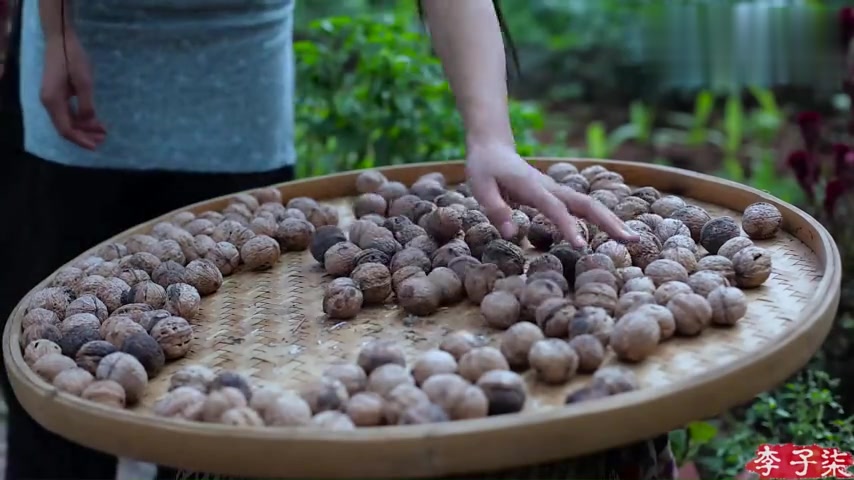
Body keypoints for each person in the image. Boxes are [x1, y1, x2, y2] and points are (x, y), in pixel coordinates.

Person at [0, 1, 670, 479]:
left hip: (238, 73)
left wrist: (491, 138)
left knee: (219, 398)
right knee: (56, 413)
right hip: (87, 55)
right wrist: (57, 27)